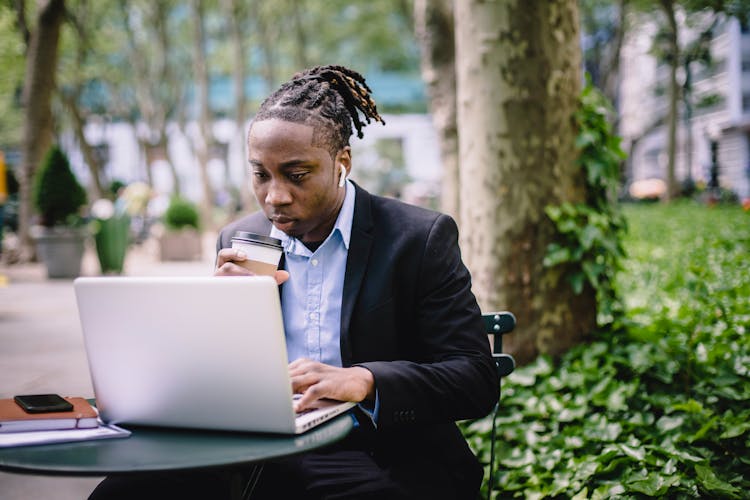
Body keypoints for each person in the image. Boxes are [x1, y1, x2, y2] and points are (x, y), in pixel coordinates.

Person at [89, 65, 498, 500]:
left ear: (342, 162)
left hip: (375, 448)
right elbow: (221, 379)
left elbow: (474, 378)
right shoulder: (241, 240)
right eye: (261, 175)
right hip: (257, 450)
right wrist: (215, 321)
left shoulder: (417, 239)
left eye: (296, 174)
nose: (275, 196)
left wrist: (365, 380)